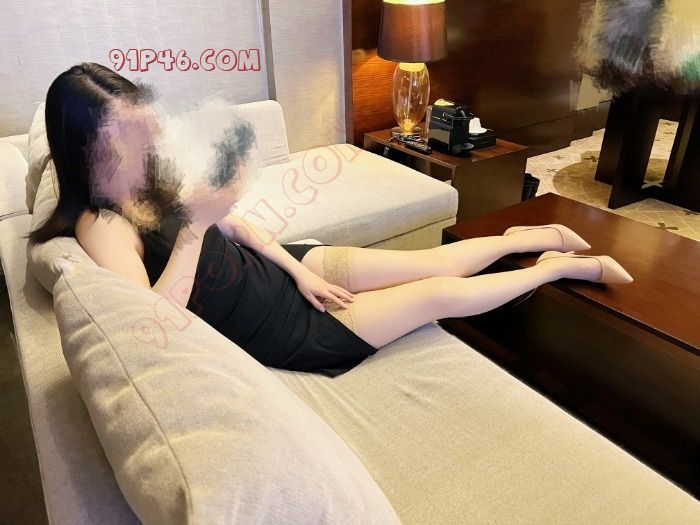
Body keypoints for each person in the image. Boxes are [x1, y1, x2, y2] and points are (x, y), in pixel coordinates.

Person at [29, 63, 633, 377]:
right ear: (86, 148)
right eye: (128, 135)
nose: (149, 142)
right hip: (285, 332)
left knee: (430, 261)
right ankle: (550, 269)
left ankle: (523, 237)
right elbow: (150, 328)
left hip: (291, 271)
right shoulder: (101, 224)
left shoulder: (149, 180)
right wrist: (192, 228)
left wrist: (301, 273)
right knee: (440, 295)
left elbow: (239, 230)